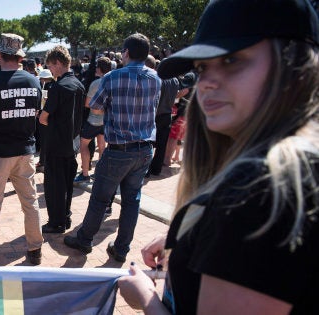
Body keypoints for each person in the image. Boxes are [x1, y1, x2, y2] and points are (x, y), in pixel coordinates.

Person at [118, 0, 319, 314]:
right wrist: (191, 237)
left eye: (231, 60)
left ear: (293, 63)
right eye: (202, 68)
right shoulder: (294, 168)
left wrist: (146, 299)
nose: (207, 82)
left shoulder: (260, 187)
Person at [64, 33, 161, 263]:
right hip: (145, 148)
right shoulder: (155, 78)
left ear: (126, 53)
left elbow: (95, 108)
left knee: (100, 198)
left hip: (119, 149)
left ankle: (85, 239)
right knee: (131, 200)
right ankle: (121, 248)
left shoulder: (112, 77)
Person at [0, 33, 44, 265]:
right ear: (19, 57)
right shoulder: (33, 81)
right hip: (26, 150)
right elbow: (36, 113)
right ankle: (35, 248)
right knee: (30, 201)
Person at [39, 45, 85, 233]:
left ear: (58, 63)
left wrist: (42, 116)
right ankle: (65, 217)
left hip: (56, 144)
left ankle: (56, 222)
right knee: (67, 184)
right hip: (72, 143)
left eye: (50, 66)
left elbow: (44, 118)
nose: (50, 70)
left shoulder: (59, 87)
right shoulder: (79, 85)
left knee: (54, 186)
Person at [74, 57, 113, 183]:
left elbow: (87, 103)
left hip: (94, 119)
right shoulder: (113, 81)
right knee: (102, 146)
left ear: (99, 68)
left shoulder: (96, 83)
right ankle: (99, 173)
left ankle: (85, 174)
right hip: (106, 119)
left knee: (83, 144)